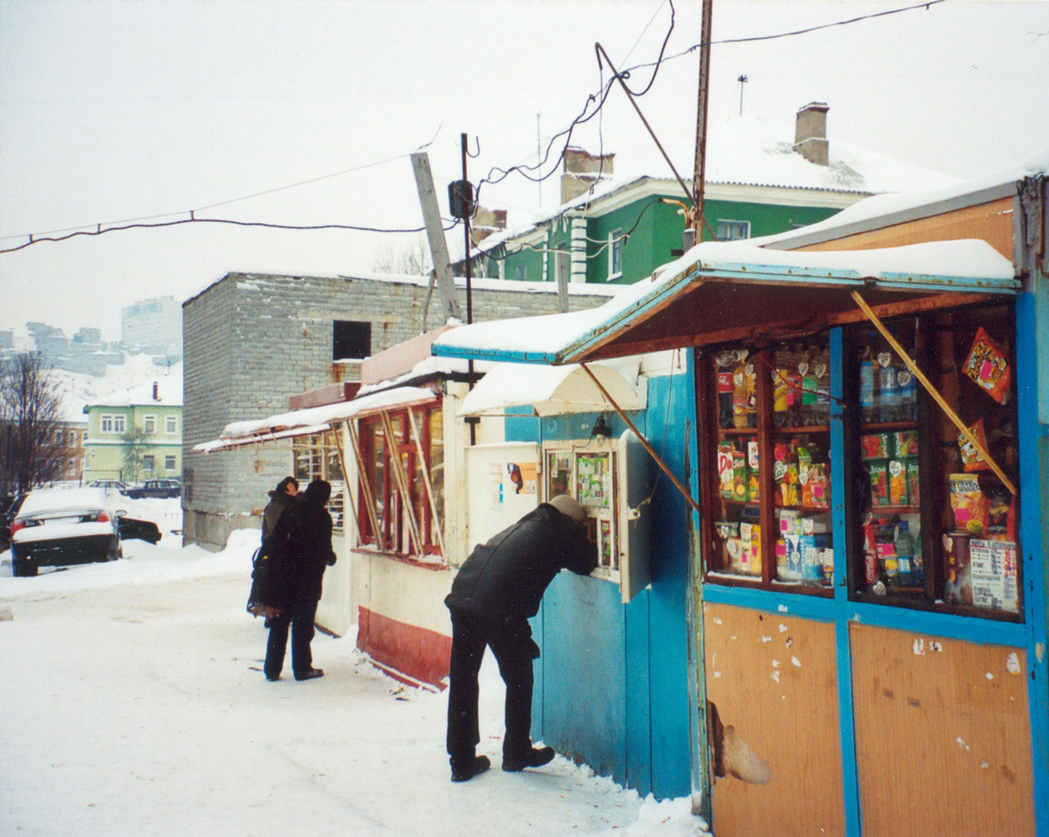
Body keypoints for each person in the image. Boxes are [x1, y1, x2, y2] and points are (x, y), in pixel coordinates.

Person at [444, 493, 596, 783]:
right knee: (519, 675)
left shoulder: (530, 523)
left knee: (463, 679)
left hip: (463, 596)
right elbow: (585, 562)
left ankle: (461, 761)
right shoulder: (561, 531)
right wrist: (584, 535)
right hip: (496, 607)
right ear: (572, 521)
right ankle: (516, 751)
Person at [263, 479, 337, 682]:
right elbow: (325, 550)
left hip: (283, 576)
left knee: (279, 623)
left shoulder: (291, 510)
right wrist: (331, 558)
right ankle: (302, 668)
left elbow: (275, 539)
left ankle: (271, 669)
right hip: (307, 580)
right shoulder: (322, 517)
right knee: (302, 626)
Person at [261, 476, 299, 544]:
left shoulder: (270, 505)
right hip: (283, 547)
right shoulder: (290, 507)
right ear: (287, 491)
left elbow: (265, 530)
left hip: (269, 545)